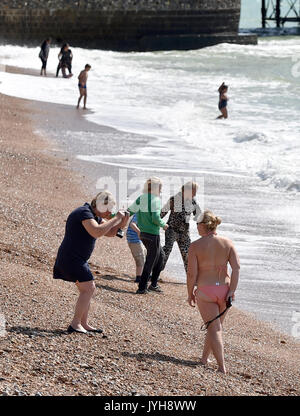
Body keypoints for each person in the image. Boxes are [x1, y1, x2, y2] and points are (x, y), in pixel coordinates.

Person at [53, 191, 128, 334]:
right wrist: (116, 218)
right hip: (71, 258)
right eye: (108, 208)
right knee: (89, 288)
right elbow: (97, 232)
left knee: (86, 289)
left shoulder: (94, 216)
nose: (110, 212)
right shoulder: (84, 212)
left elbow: (111, 232)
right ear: (100, 205)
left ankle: (83, 323)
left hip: (78, 259)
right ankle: (75, 324)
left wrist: (121, 224)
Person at [187, 210, 240, 374]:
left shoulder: (195, 246)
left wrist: (190, 293)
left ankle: (221, 367)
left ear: (204, 225)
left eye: (197, 224)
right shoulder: (228, 243)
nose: (196, 227)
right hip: (224, 290)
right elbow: (236, 268)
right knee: (215, 326)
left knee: (214, 328)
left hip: (206, 291)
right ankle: (204, 358)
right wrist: (232, 291)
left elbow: (192, 274)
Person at [128, 177, 168, 294]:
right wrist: (163, 225)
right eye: (160, 187)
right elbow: (156, 218)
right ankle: (142, 288)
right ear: (156, 188)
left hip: (143, 234)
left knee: (161, 256)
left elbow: (130, 211)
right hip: (152, 234)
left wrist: (116, 216)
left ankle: (153, 284)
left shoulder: (141, 198)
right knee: (151, 260)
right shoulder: (155, 200)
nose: (161, 190)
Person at [161, 181, 201, 273]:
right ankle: (155, 273)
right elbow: (162, 213)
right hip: (171, 230)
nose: (195, 193)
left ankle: (191, 276)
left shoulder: (193, 201)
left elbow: (199, 217)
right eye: (194, 191)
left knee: (188, 255)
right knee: (167, 251)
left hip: (184, 232)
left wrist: (206, 231)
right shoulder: (174, 199)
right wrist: (153, 223)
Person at [126, 213, 146, 283]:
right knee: (140, 258)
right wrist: (139, 232)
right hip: (134, 239)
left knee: (144, 255)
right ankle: (138, 277)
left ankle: (145, 274)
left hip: (138, 239)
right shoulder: (140, 214)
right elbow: (132, 224)